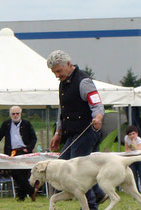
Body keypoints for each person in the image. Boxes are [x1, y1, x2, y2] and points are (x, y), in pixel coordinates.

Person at [47, 50, 107, 210]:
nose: (57, 75)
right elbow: (62, 110)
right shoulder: (63, 83)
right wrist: (58, 132)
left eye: (58, 71)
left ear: (68, 64)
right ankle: (99, 193)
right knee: (62, 163)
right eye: (54, 72)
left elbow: (96, 103)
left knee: (76, 171)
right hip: (71, 133)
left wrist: (98, 118)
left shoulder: (83, 81)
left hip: (86, 131)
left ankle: (90, 206)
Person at [0, 106, 38, 201]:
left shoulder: (26, 124)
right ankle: (31, 192)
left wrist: (29, 148)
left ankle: (21, 197)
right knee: (15, 172)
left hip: (24, 151)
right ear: (10, 115)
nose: (15, 115)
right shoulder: (6, 124)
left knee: (22, 174)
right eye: (13, 114)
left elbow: (34, 138)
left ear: (20, 114)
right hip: (12, 152)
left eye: (17, 113)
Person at [124, 125, 141, 199]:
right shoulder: (126, 138)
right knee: (134, 179)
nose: (131, 136)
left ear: (137, 133)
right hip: (132, 160)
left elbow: (138, 150)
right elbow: (126, 149)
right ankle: (136, 195)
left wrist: (133, 141)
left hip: (140, 160)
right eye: (130, 134)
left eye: (133, 134)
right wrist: (130, 150)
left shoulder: (140, 140)